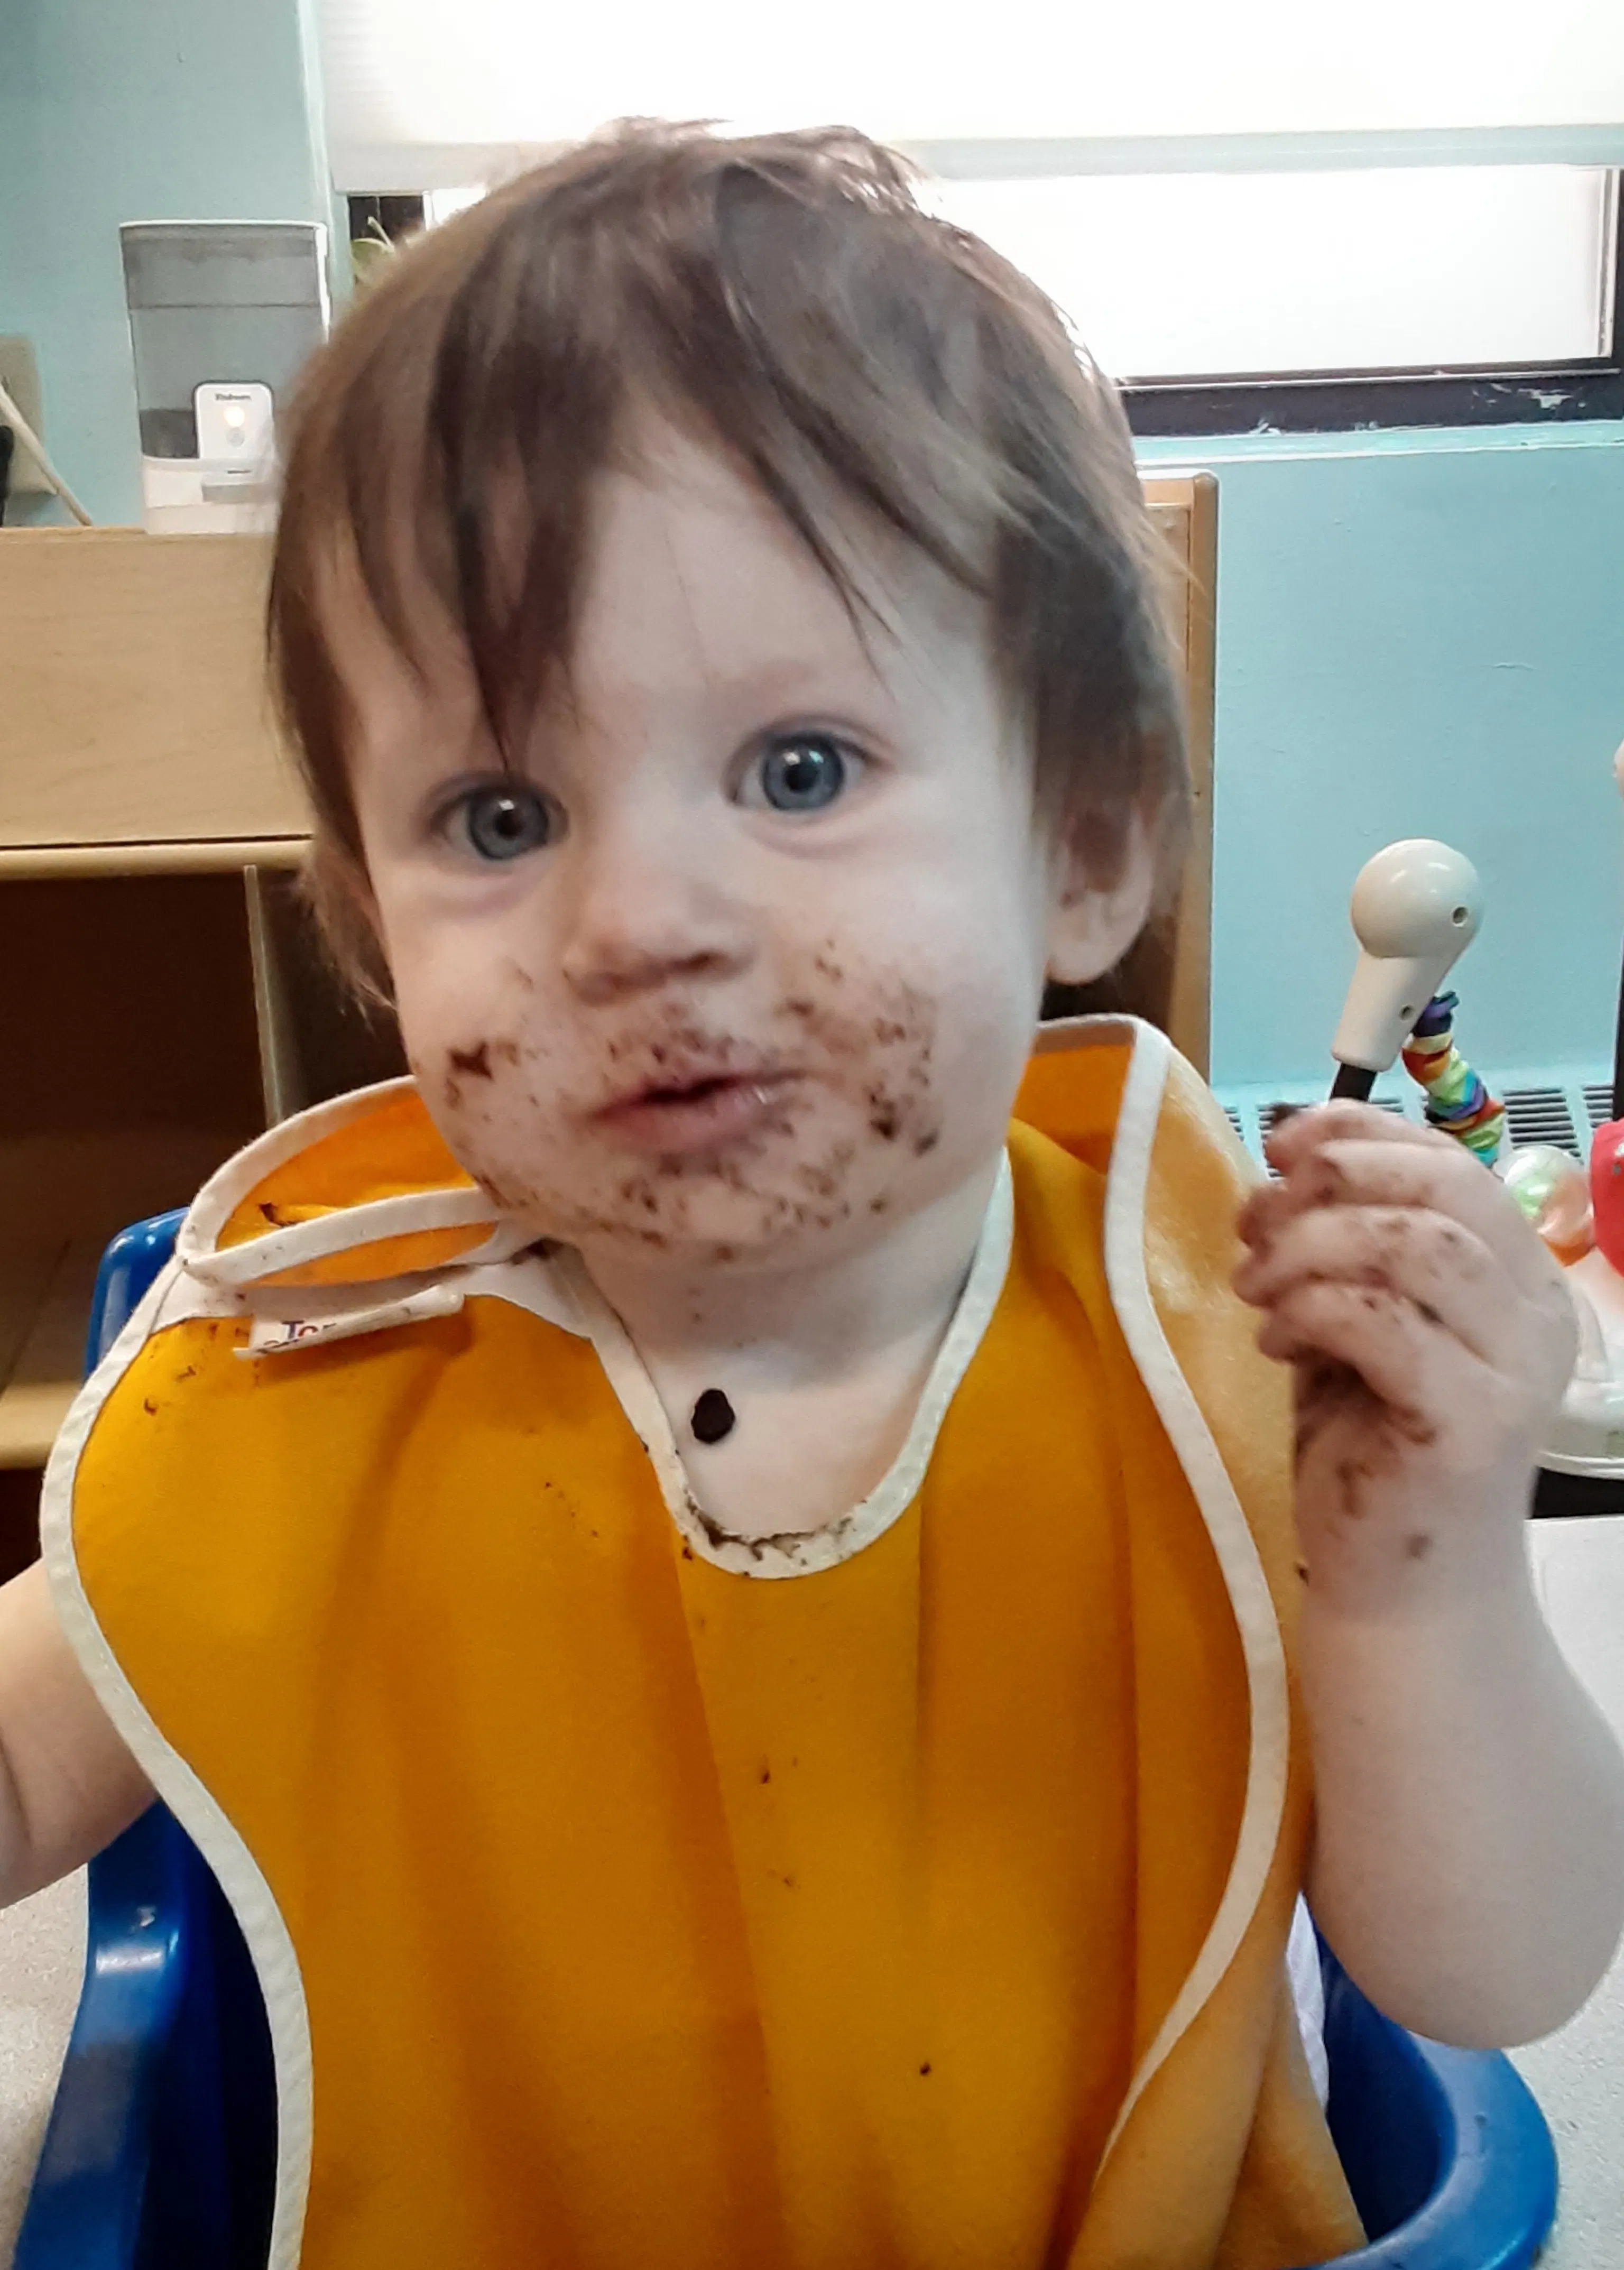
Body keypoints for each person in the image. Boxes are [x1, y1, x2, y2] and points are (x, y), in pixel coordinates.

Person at [9, 124, 1624, 2270]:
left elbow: (1492, 1982)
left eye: (800, 769)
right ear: (373, 928)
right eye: (499, 815)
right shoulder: (316, 1382)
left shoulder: (1217, 1353)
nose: (639, 923)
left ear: (1084, 846)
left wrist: (1429, 1574)